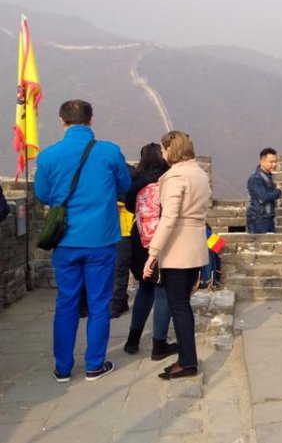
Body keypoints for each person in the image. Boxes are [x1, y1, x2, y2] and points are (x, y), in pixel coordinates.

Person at [34, 99, 131, 382]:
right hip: (101, 239)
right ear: (91, 120)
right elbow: (124, 185)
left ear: (62, 121)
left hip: (65, 240)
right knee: (99, 303)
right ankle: (94, 365)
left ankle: (63, 368)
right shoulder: (109, 152)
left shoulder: (48, 156)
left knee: (66, 303)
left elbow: (43, 194)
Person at [143, 131, 211, 380]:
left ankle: (188, 362)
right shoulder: (199, 173)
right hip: (195, 246)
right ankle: (186, 358)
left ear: (171, 149)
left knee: (179, 306)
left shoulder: (176, 176)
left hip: (177, 250)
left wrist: (153, 253)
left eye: (164, 149)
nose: (162, 153)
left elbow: (169, 218)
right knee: (183, 305)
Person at [123, 143, 177, 360]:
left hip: (139, 239)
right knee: (163, 290)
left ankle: (132, 340)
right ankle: (159, 344)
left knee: (144, 289)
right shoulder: (168, 180)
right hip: (164, 241)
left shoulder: (135, 182)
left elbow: (129, 206)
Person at [246, 147, 282, 234]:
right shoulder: (256, 178)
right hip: (258, 219)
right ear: (262, 162)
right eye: (271, 162)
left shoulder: (267, 177)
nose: (274, 165)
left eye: (275, 162)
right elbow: (263, 198)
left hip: (267, 218)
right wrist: (278, 191)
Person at [110, 199, 134, 318]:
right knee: (118, 269)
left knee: (119, 270)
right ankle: (121, 302)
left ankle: (116, 305)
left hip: (126, 230)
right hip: (117, 229)